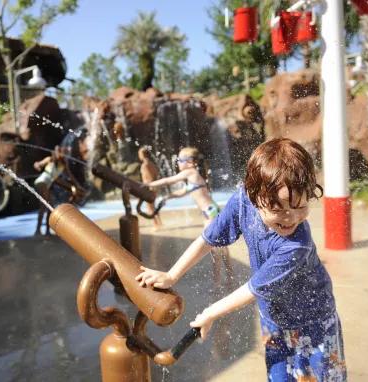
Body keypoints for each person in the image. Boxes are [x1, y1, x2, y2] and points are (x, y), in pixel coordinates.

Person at [136, 138, 346, 381]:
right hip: (273, 319)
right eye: (278, 210)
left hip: (314, 322)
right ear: (255, 196)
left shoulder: (296, 245)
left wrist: (210, 313)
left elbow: (252, 289)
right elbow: (209, 238)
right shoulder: (242, 200)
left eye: (300, 207)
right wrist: (171, 274)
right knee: (279, 377)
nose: (291, 218)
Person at [146, 147, 233, 285]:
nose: (178, 163)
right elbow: (183, 191)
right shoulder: (193, 176)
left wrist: (149, 185)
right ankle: (228, 275)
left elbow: (169, 180)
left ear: (191, 162)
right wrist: (169, 196)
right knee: (219, 246)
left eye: (180, 160)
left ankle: (218, 281)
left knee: (213, 246)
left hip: (210, 212)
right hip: (210, 211)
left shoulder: (190, 172)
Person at [33, 145, 67, 235]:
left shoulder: (63, 165)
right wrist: (37, 166)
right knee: (45, 206)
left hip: (47, 185)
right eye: (58, 151)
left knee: (48, 207)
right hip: (41, 182)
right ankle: (38, 230)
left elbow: (63, 179)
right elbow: (37, 164)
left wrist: (75, 186)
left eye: (61, 152)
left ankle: (47, 230)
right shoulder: (49, 160)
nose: (59, 153)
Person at [138, 146, 162, 230]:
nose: (139, 156)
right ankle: (160, 222)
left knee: (150, 207)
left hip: (149, 187)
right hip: (154, 186)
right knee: (153, 206)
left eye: (139, 154)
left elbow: (148, 177)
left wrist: (147, 186)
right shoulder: (151, 163)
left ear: (142, 155)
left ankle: (156, 225)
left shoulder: (145, 165)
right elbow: (156, 174)